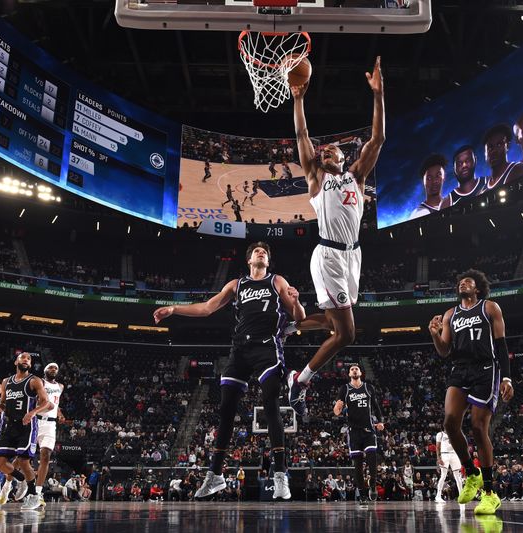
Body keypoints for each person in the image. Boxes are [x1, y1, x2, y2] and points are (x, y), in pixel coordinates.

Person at [153, 242, 305, 500]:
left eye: (265, 252)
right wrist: (174, 309)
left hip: (267, 346)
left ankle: (280, 474)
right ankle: (215, 476)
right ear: (249, 260)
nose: (261, 252)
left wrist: (297, 301)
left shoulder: (277, 281)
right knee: (225, 410)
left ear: (268, 261)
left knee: (270, 403)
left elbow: (299, 317)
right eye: (257, 251)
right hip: (240, 349)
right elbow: (207, 308)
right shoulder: (236, 285)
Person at [285, 56, 385, 417]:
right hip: (327, 255)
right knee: (347, 335)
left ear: (343, 156)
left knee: (332, 322)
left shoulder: (356, 176)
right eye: (322, 150)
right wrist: (298, 99)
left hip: (352, 256)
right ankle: (301, 380)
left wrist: (378, 94)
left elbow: (378, 137)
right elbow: (301, 136)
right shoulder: (317, 179)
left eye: (331, 149)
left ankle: (291, 324)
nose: (325, 149)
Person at [428, 269, 514, 515]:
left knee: (478, 427)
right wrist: (435, 335)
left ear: (477, 288)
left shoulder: (490, 308)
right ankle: (471, 472)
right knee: (450, 423)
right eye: (460, 282)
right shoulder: (450, 315)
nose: (462, 283)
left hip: (486, 368)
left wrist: (506, 377)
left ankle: (489, 493)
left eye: (468, 281)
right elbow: (444, 350)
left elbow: (501, 343)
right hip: (460, 369)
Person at [0, 352, 54, 511]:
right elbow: (3, 402)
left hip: (27, 426)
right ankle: (21, 480)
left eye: (29, 359)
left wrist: (33, 412)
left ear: (30, 365)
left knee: (24, 460)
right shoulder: (6, 382)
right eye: (23, 358)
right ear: (16, 362)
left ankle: (33, 496)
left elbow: (47, 402)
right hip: (10, 426)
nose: (26, 360)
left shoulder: (34, 381)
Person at [333, 365, 384, 504]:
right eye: (352, 369)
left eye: (356, 369)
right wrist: (338, 408)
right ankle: (362, 494)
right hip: (353, 431)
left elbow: (376, 406)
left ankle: (372, 484)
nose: (354, 370)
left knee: (372, 459)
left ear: (361, 372)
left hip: (368, 430)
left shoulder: (368, 388)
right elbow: (337, 411)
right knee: (358, 466)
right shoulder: (345, 389)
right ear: (349, 374)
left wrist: (381, 422)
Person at [34, 362, 65, 509]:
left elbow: (55, 403)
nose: (54, 369)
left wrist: (59, 413)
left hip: (50, 424)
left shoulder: (60, 386)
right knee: (22, 456)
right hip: (35, 420)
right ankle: (9, 484)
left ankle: (38, 493)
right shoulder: (38, 382)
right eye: (51, 367)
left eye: (56, 368)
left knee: (45, 455)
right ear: (45, 370)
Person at [481, 124, 523, 191]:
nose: (494, 151)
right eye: (490, 148)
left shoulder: (518, 171)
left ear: (507, 146)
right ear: (485, 153)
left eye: (499, 145)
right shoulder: (483, 190)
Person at [409, 154, 446, 219]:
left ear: (444, 177)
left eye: (438, 175)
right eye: (429, 178)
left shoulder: (451, 203)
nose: (434, 181)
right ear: (423, 181)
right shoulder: (419, 213)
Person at [434, 428, 464, 504]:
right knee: (443, 475)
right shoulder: (440, 434)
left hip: (454, 454)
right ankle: (438, 496)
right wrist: (438, 458)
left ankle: (461, 496)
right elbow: (437, 447)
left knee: (458, 476)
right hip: (444, 454)